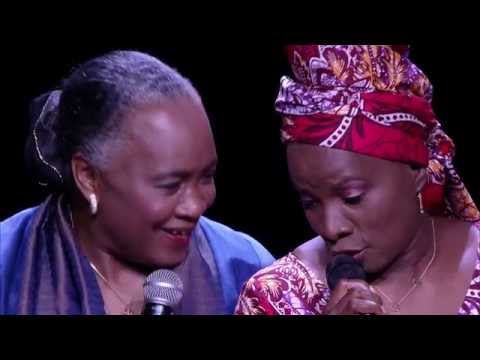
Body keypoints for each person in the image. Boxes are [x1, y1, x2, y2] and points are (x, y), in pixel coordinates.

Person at [0, 50, 274, 315]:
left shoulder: (246, 269)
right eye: (170, 184)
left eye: (206, 177)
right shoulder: (7, 262)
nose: (195, 207)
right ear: (88, 177)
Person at [235, 45, 480, 315]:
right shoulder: (276, 297)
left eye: (352, 197)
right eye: (310, 202)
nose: (330, 228)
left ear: (416, 170)